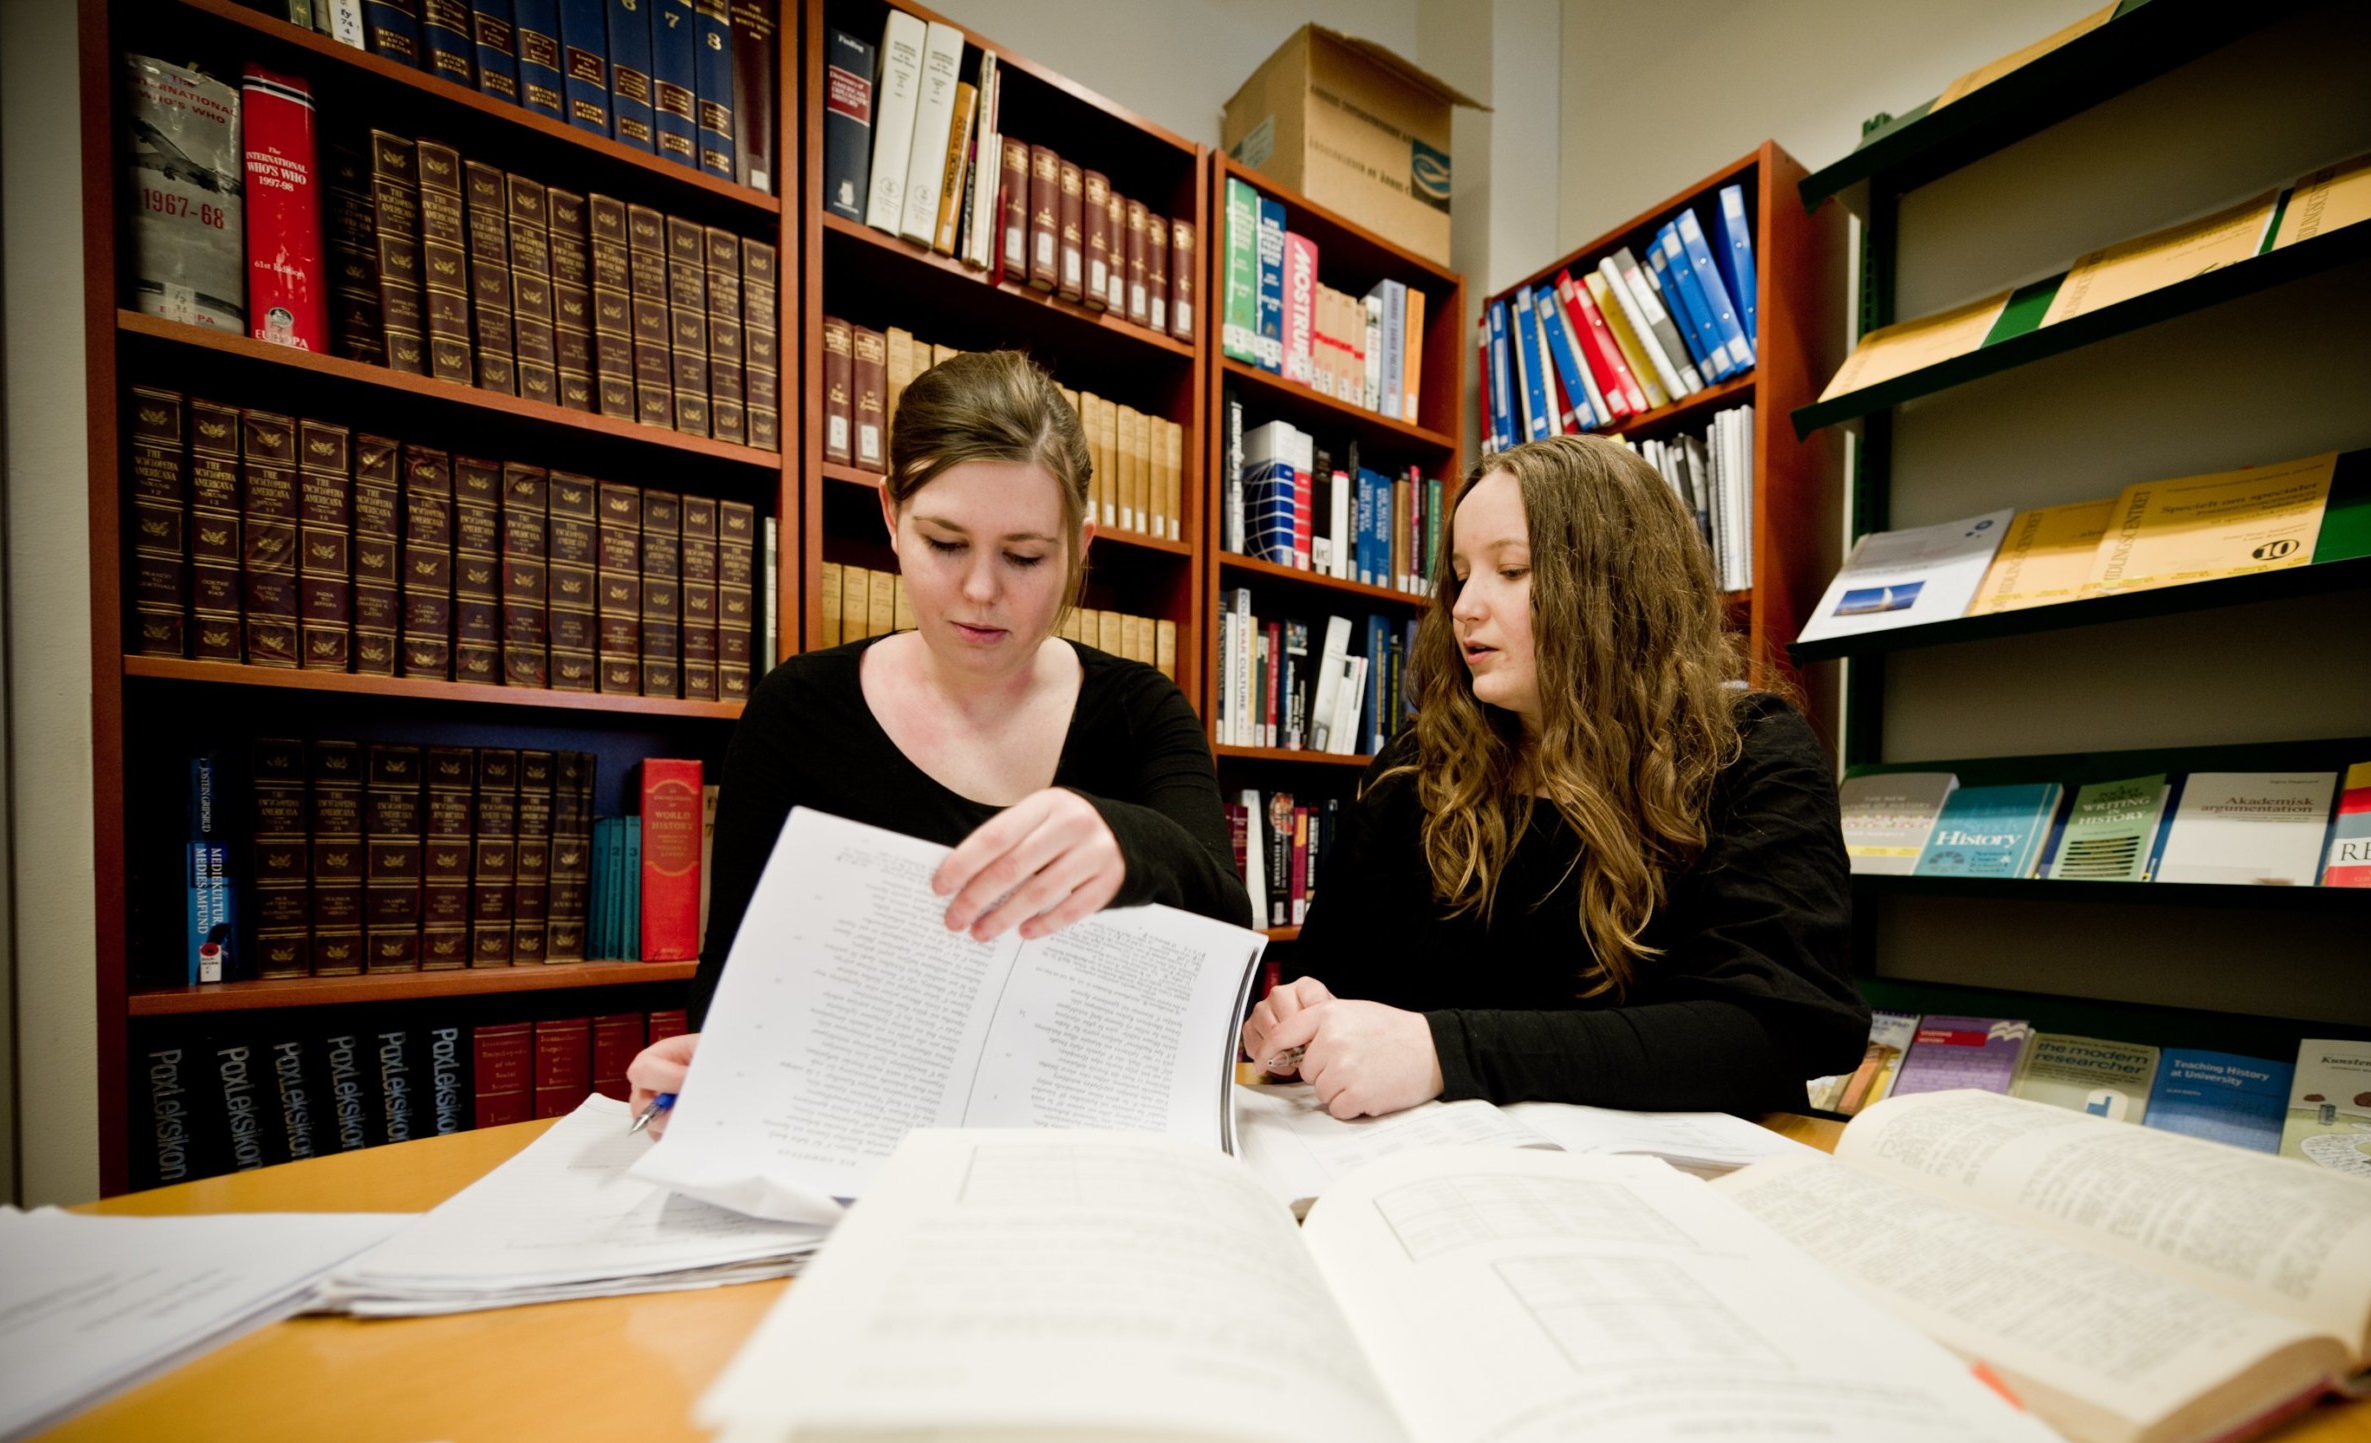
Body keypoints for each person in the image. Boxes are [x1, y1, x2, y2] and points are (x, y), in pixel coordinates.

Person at [627, 351, 1251, 1128]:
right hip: (854, 1155)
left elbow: (1231, 946)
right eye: (946, 544)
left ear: (1081, 544)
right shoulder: (796, 712)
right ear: (891, 516)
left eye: (1025, 556)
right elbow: (733, 998)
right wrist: (703, 1079)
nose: (982, 591)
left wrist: (1130, 843)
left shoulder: (1142, 713)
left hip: (1078, 1148)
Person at [1242, 433, 1867, 1119]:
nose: (1464, 607)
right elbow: (1331, 980)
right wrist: (1296, 1018)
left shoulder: (1746, 753)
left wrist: (1445, 1052)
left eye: (1511, 571)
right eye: (1460, 573)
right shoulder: (1417, 764)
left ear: (1613, 586)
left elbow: (1772, 1036)